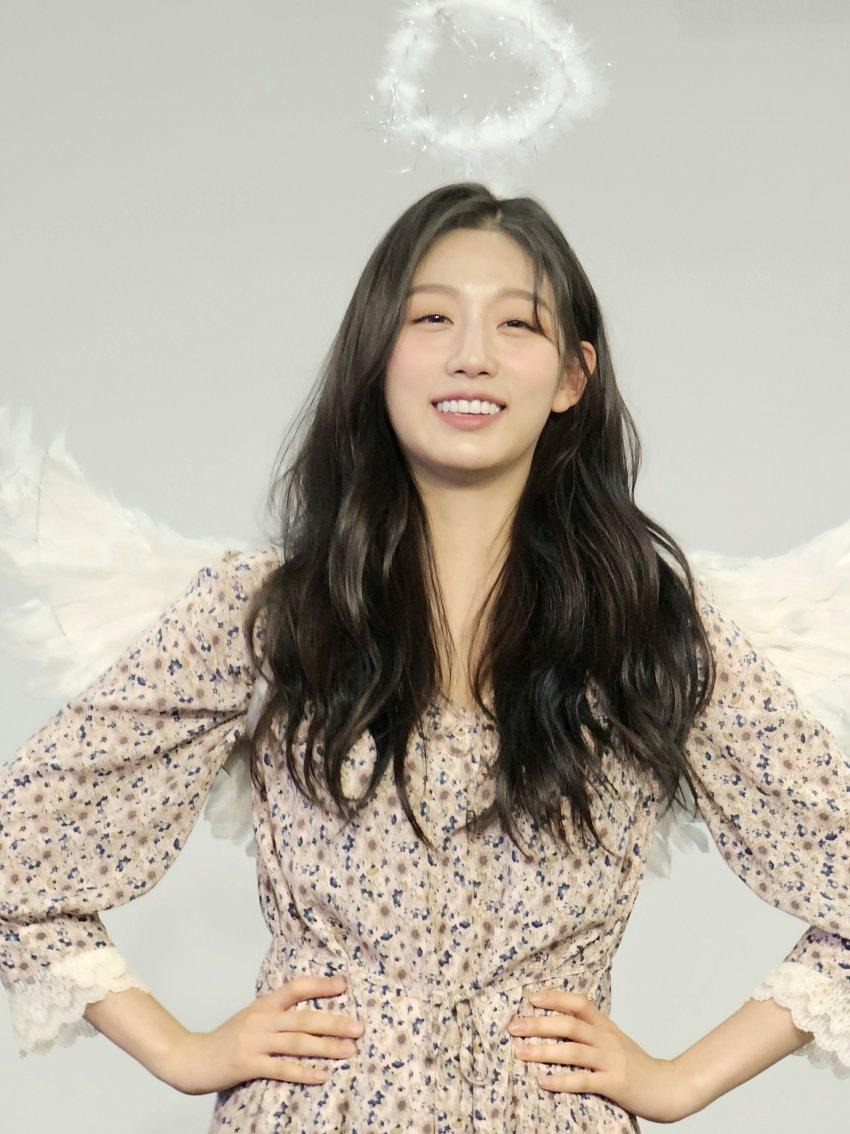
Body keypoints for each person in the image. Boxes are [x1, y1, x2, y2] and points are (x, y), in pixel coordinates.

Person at [1, 183, 847, 1133]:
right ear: (378, 355)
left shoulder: (647, 629)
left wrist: (681, 1081)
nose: (471, 354)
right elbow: (18, 851)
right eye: (432, 317)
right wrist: (181, 1052)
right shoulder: (270, 614)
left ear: (573, 376)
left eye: (517, 324)